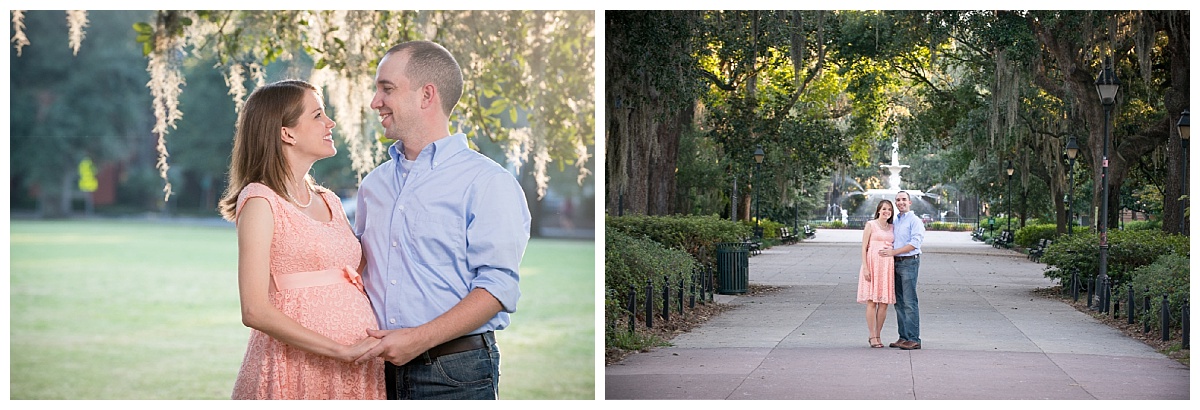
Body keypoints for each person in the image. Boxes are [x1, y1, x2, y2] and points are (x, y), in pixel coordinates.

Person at [353, 40, 531, 400]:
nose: (375, 102)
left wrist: (417, 340)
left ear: (426, 95)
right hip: (371, 371)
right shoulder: (374, 185)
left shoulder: (487, 182)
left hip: (453, 374)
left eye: (386, 89)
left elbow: (497, 287)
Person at [219, 79, 386, 399]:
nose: (331, 122)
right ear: (287, 132)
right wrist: (340, 350)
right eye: (318, 115)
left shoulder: (330, 201)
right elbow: (253, 310)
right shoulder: (260, 201)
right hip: (296, 367)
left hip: (359, 369)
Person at [879, 190, 925, 350]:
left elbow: (915, 244)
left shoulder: (915, 220)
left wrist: (893, 252)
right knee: (898, 302)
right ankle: (903, 337)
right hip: (895, 263)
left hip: (909, 262)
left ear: (910, 202)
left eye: (904, 199)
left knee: (909, 301)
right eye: (898, 200)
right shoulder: (896, 221)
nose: (900, 202)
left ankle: (914, 338)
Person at [857, 200, 895, 348]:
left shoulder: (892, 227)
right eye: (884, 209)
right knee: (872, 301)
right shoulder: (870, 225)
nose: (886, 211)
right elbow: (863, 248)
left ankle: (878, 334)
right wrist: (865, 267)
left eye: (889, 210)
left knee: (884, 303)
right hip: (872, 265)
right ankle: (872, 335)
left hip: (887, 267)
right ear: (879, 210)